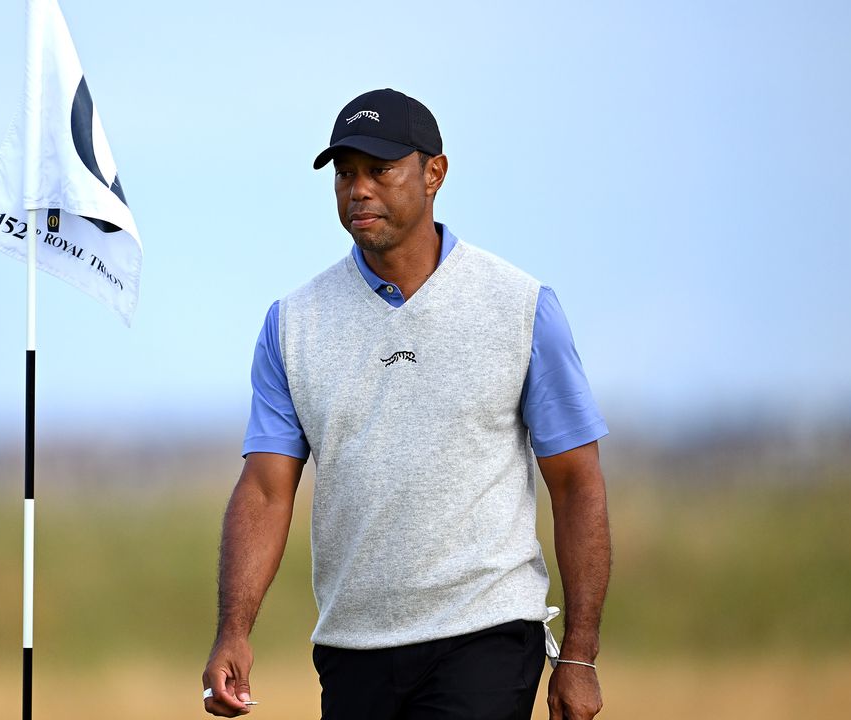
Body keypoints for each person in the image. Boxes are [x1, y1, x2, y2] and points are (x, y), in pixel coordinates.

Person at [201, 89, 611, 720]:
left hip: (487, 632)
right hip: (352, 646)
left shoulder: (521, 306)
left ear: (435, 173)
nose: (358, 189)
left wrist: (579, 656)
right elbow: (264, 489)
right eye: (345, 173)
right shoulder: (292, 324)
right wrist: (234, 630)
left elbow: (578, 483)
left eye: (380, 170)